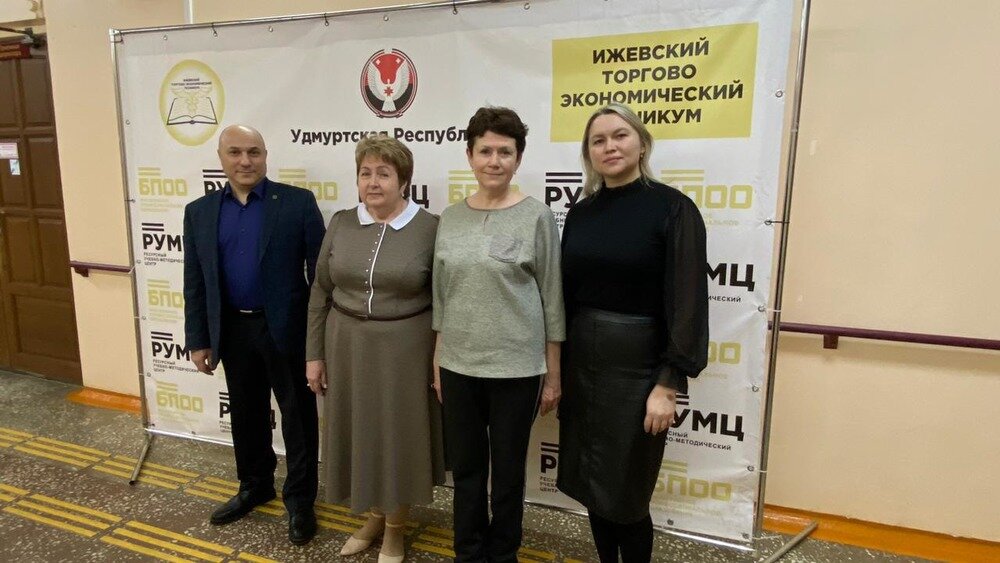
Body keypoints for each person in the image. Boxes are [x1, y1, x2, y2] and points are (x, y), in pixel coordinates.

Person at [557, 102, 709, 563]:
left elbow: (687, 303)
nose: (610, 146)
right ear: (589, 153)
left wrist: (668, 384)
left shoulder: (673, 208)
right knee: (594, 487)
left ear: (642, 144)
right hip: (583, 367)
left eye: (620, 135)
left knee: (627, 496)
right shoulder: (582, 213)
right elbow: (567, 297)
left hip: (640, 373)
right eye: (598, 140)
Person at [432, 107, 564, 563]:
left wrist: (553, 375)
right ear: (469, 156)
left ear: (518, 158)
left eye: (504, 152)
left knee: (507, 475)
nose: (494, 161)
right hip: (457, 366)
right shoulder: (450, 217)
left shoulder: (537, 217)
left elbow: (552, 300)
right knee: (467, 472)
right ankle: (468, 552)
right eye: (485, 150)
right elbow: (442, 298)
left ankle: (503, 553)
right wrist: (438, 362)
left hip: (517, 370)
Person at [183, 124, 325, 545]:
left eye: (254, 152)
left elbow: (320, 279)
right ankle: (255, 485)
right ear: (221, 158)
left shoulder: (297, 203)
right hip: (232, 328)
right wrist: (198, 338)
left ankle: (300, 500)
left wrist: (317, 340)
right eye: (235, 152)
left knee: (298, 418)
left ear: (265, 155)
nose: (245, 161)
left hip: (287, 329)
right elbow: (195, 280)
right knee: (246, 413)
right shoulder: (199, 211)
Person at [305, 136, 444, 563]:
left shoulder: (431, 227)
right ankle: (374, 517)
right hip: (346, 347)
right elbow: (320, 290)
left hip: (405, 352)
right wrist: (314, 354)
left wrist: (439, 359)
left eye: (384, 173)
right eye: (365, 173)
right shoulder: (342, 222)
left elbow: (445, 300)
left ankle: (395, 531)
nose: (373, 182)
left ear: (404, 181)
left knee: (397, 440)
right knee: (362, 436)